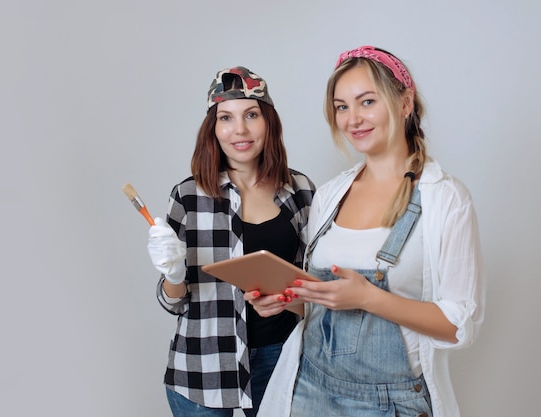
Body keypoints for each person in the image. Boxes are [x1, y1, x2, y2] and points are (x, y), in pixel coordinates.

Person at [245, 46, 485, 417]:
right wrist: (284, 301)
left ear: (405, 103)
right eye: (341, 107)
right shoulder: (329, 195)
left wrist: (369, 298)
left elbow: (458, 325)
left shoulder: (445, 199)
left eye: (366, 101)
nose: (353, 119)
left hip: (391, 403)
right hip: (308, 389)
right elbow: (320, 303)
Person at [147, 66, 316, 416]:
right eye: (226, 117)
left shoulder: (301, 190)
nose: (239, 129)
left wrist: (290, 299)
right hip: (203, 368)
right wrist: (173, 275)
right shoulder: (187, 196)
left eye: (251, 115)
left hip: (283, 358)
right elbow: (172, 303)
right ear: (214, 129)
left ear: (268, 122)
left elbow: (318, 285)